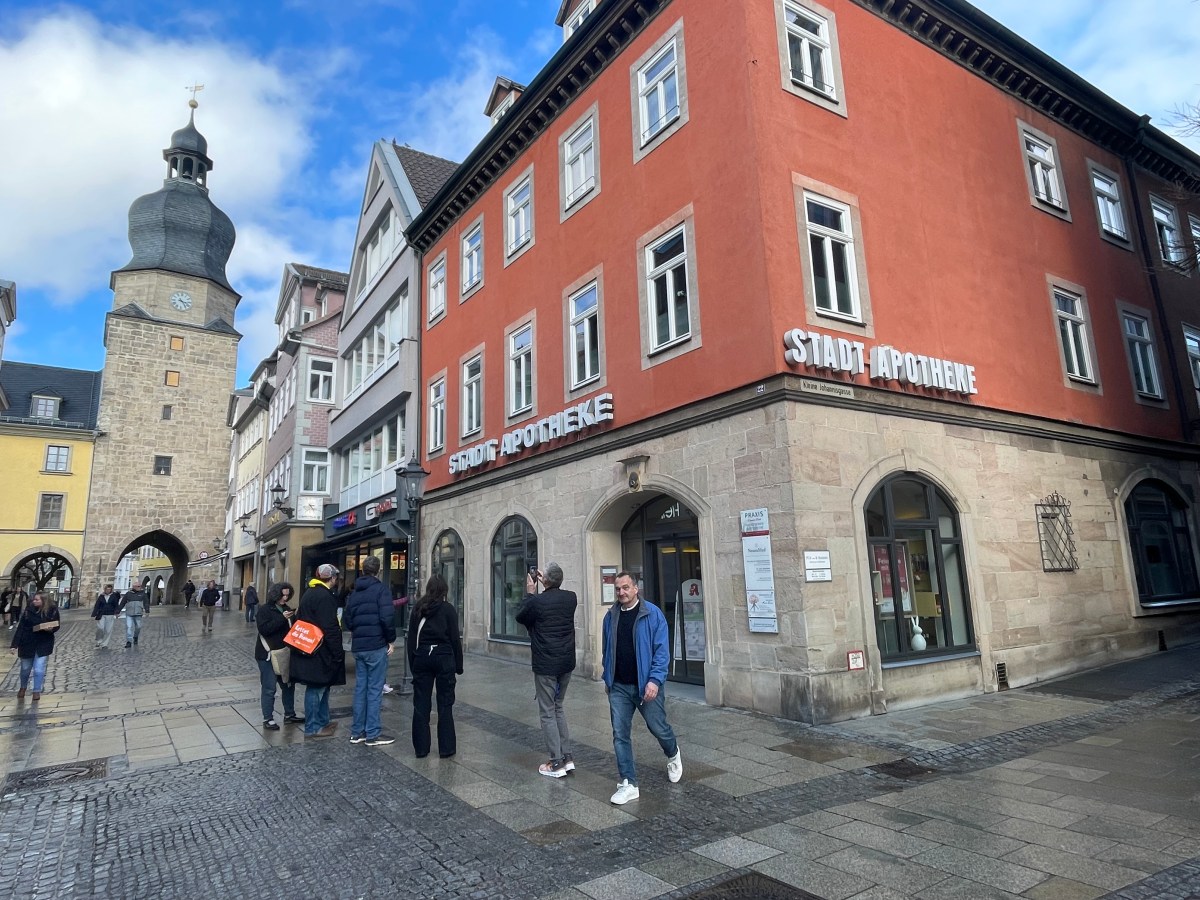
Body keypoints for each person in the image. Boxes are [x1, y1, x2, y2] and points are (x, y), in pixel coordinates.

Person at [602, 571, 683, 805]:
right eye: (618, 589)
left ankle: (673, 752)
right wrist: (607, 676)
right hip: (618, 685)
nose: (621, 592)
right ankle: (629, 783)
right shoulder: (611, 616)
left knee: (658, 728)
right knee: (620, 734)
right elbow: (607, 648)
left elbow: (661, 652)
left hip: (646, 685)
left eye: (626, 588)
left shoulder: (652, 614)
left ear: (636, 589)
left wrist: (655, 680)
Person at [516, 562, 578, 777]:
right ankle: (567, 757)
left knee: (547, 712)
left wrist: (531, 592)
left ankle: (556, 762)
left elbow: (521, 615)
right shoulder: (571, 598)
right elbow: (552, 600)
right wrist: (548, 583)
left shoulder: (538, 602)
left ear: (545, 581)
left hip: (546, 665)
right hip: (566, 663)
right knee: (558, 707)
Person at [342, 556, 397, 746]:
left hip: (359, 646)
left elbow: (347, 620)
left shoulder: (355, 592)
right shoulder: (382, 590)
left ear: (363, 570)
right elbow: (387, 618)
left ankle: (357, 732)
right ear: (378, 571)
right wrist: (390, 639)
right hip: (376, 645)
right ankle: (372, 733)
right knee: (374, 690)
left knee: (360, 689)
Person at [407, 574, 463, 759]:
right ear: (444, 591)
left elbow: (412, 639)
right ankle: (446, 748)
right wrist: (458, 665)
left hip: (422, 657)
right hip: (444, 657)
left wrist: (413, 663)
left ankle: (421, 748)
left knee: (421, 703)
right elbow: (455, 639)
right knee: (445, 703)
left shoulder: (418, 608)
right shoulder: (448, 609)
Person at [289, 564, 344, 738]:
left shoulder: (310, 592)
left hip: (311, 648)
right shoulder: (324, 596)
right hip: (320, 650)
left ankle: (322, 721)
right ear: (332, 578)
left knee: (322, 686)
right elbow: (330, 627)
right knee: (316, 688)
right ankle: (313, 727)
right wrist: (337, 652)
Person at [255, 582, 304, 730]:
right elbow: (265, 629)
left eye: (288, 595)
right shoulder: (265, 610)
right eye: (282, 595)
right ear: (275, 594)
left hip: (284, 653)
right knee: (269, 687)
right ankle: (268, 718)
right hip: (267, 654)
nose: (285, 598)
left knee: (288, 685)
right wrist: (282, 618)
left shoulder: (287, 609)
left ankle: (289, 714)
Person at [10, 592, 61, 700]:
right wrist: (14, 645)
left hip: (43, 642)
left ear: (44, 600)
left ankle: (36, 690)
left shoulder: (52, 610)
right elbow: (21, 628)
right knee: (25, 668)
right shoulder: (28, 611)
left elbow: (56, 624)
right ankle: (23, 687)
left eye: (37, 600)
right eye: (34, 599)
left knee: (39, 668)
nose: (34, 601)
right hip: (27, 642)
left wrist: (50, 629)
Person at [119, 581, 149, 648]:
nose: (140, 587)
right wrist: (118, 611)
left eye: (140, 586)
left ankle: (135, 637)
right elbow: (122, 602)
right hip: (129, 613)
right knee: (129, 627)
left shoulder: (143, 594)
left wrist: (147, 610)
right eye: (138, 586)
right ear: (134, 587)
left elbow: (146, 602)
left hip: (138, 613)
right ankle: (129, 641)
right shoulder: (128, 594)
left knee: (138, 627)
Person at [91, 584, 121, 649]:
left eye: (109, 589)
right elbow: (97, 605)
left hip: (110, 614)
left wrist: (117, 612)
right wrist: (94, 613)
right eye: (107, 589)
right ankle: (99, 641)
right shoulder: (101, 596)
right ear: (105, 589)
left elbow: (116, 605)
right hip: (101, 614)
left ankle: (105, 644)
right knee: (100, 628)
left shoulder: (113, 596)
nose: (108, 590)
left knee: (108, 630)